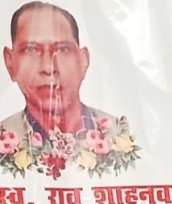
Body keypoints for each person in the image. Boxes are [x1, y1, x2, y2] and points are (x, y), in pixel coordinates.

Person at [2, 2, 128, 142]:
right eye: (31, 50)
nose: (49, 67)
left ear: (83, 61)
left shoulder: (121, 137)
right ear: (10, 62)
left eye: (63, 49)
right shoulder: (3, 142)